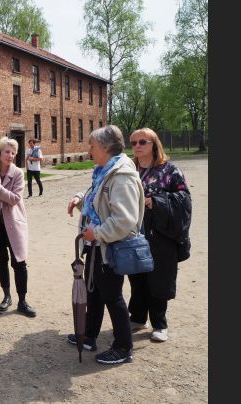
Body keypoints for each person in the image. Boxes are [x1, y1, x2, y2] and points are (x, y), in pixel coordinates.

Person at [66, 125, 144, 365]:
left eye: (92, 146)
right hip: (97, 245)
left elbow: (125, 220)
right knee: (94, 292)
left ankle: (123, 347)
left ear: (106, 147)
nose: (89, 150)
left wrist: (97, 233)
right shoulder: (105, 171)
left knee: (111, 295)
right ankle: (89, 335)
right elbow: (99, 203)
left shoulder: (122, 176)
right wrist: (80, 199)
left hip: (110, 246)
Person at [127, 128, 191, 342]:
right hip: (134, 232)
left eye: (142, 142)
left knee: (158, 279)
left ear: (154, 145)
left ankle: (159, 324)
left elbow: (184, 199)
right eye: (133, 142)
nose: (137, 146)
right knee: (136, 277)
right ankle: (138, 317)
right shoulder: (129, 170)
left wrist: (157, 202)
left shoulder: (170, 171)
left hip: (160, 234)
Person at [0, 136, 36, 317]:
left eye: (13, 152)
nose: (10, 155)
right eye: (7, 152)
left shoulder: (18, 173)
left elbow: (14, 199)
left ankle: (22, 301)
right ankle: (7, 296)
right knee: (0, 260)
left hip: (13, 224)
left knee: (19, 262)